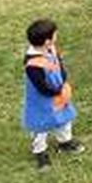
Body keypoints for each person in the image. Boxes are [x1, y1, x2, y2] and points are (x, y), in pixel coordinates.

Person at [21, 19, 83, 171]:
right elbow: (41, 86)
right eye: (55, 35)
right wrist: (57, 91)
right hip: (43, 101)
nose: (57, 37)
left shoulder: (51, 49)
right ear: (47, 42)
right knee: (41, 127)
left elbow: (59, 64)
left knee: (64, 119)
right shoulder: (33, 64)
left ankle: (65, 142)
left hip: (58, 95)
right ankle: (40, 152)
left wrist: (63, 79)